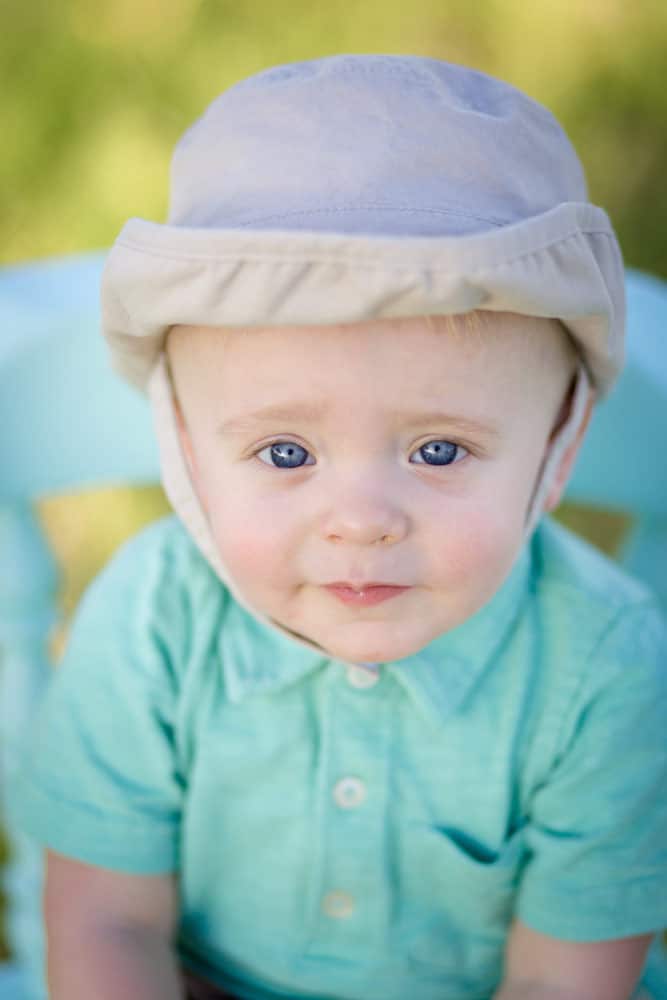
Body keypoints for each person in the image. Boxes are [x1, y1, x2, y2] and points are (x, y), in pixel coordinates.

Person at [11, 55, 667, 1000]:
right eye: (285, 454)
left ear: (556, 452)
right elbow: (107, 925)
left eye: (439, 452)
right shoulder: (154, 614)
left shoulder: (606, 664)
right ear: (185, 451)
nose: (360, 522)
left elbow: (563, 985)